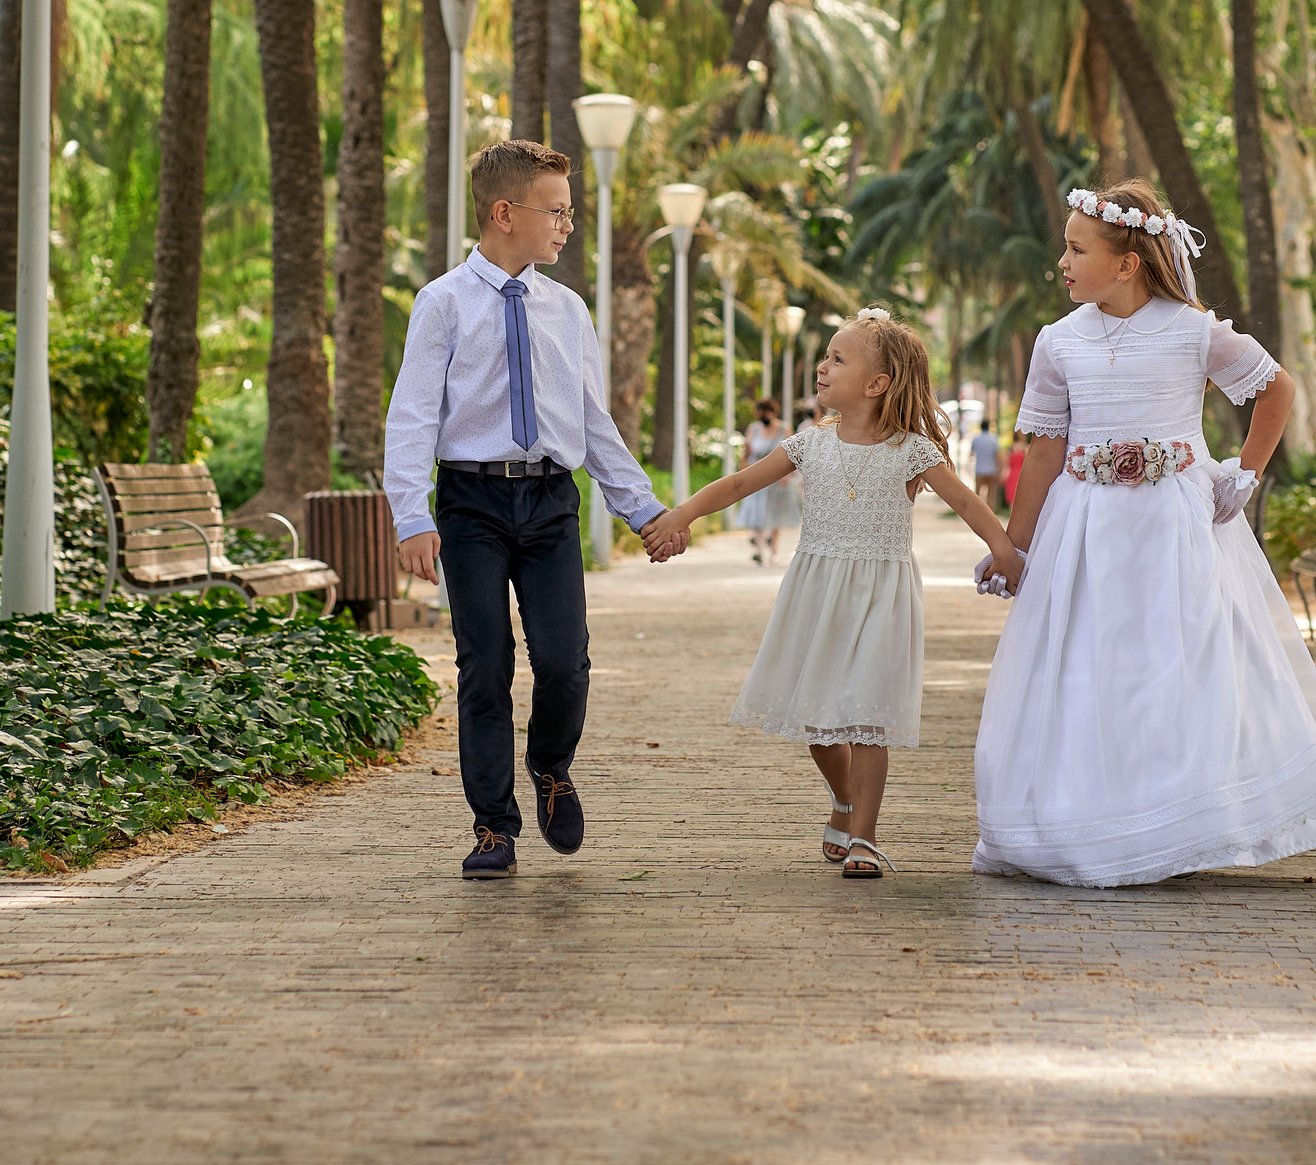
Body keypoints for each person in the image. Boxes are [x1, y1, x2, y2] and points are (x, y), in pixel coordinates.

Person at [970, 180, 1316, 887]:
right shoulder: (1058, 342)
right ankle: (1083, 817)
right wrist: (1014, 545)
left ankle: (1169, 815)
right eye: (1064, 245)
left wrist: (1245, 473)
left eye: (1076, 248)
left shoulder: (1190, 330)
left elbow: (1276, 390)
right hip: (1085, 529)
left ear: (1127, 263)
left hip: (1171, 527)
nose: (1061, 260)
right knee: (1086, 666)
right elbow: (1046, 451)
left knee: (1168, 664)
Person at [385, 139, 685, 880]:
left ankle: (550, 765)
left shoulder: (567, 308)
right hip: (471, 502)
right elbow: (413, 414)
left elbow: (592, 419)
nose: (567, 225)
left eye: (571, 211)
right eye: (556, 211)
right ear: (504, 212)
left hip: (551, 500)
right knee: (484, 664)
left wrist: (640, 507)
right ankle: (493, 825)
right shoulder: (443, 303)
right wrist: (411, 514)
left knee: (564, 661)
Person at [647, 309, 1024, 878]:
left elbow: (969, 502)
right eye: (825, 356)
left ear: (877, 385)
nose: (822, 368)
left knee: (868, 719)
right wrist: (684, 513)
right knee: (820, 723)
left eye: (837, 359)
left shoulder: (911, 450)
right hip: (818, 594)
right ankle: (844, 798)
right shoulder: (809, 444)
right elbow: (740, 483)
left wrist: (1003, 548)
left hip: (881, 594)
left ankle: (865, 839)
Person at [734, 398, 800, 565]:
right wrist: (743, 473)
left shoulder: (784, 429)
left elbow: (792, 454)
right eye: (760, 413)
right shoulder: (753, 429)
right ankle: (759, 550)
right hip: (756, 478)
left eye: (767, 412)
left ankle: (773, 550)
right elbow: (746, 452)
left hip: (778, 479)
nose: (764, 416)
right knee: (757, 514)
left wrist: (787, 475)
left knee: (776, 514)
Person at [968, 415, 1003, 511]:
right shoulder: (994, 439)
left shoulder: (976, 439)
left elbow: (971, 455)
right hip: (991, 470)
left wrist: (969, 469)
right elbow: (997, 456)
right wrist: (1000, 469)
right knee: (991, 495)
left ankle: (976, 512)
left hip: (979, 470)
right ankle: (991, 515)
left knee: (977, 495)